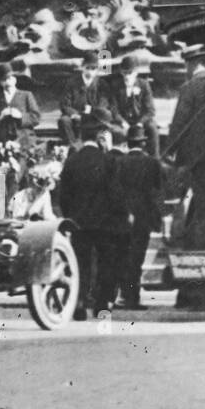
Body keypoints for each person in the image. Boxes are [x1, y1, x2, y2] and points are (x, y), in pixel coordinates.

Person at [59, 105, 129, 319]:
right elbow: (116, 195)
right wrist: (121, 216)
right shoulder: (108, 161)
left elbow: (63, 197)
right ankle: (102, 305)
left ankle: (78, 304)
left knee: (80, 264)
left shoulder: (71, 162)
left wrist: (71, 216)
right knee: (106, 263)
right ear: (100, 135)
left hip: (79, 223)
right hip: (105, 224)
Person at [115, 123, 163, 310]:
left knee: (124, 255)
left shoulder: (119, 162)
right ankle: (132, 297)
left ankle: (122, 295)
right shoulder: (152, 163)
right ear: (144, 143)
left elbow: (115, 190)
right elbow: (157, 193)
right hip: (143, 216)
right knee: (137, 258)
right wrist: (156, 219)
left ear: (128, 143)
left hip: (123, 216)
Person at [111, 50, 160, 160]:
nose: (127, 77)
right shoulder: (116, 86)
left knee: (152, 128)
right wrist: (122, 122)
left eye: (130, 73)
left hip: (140, 120)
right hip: (123, 121)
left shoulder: (144, 85)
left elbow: (150, 110)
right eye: (124, 73)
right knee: (115, 131)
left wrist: (140, 123)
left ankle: (155, 160)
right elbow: (114, 109)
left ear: (136, 72)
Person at [57, 51, 114, 146]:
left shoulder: (102, 84)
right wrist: (75, 114)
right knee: (64, 120)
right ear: (82, 67)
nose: (90, 71)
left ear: (97, 70)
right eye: (88, 68)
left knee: (105, 119)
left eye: (93, 68)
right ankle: (73, 146)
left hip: (94, 117)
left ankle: (98, 145)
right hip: (77, 116)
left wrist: (93, 113)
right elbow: (64, 104)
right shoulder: (72, 83)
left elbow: (103, 103)